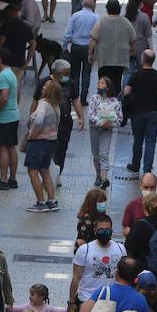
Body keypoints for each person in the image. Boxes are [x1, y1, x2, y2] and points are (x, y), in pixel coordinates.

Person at [123, 49, 157, 175]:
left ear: (143, 59)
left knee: (138, 139)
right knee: (151, 141)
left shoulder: (136, 75)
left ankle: (135, 165)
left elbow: (126, 92)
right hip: (152, 112)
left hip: (137, 112)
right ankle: (147, 169)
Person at [37, 61, 83, 189]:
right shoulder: (44, 83)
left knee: (61, 150)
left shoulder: (71, 84)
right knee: (47, 150)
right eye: (65, 73)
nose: (68, 75)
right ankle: (47, 176)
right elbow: (36, 101)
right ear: (56, 73)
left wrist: (81, 117)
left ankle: (56, 176)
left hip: (64, 123)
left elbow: (75, 100)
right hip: (47, 124)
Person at [0, 48, 23, 191]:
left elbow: (4, 96)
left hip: (4, 117)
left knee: (2, 148)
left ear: (0, 59)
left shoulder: (3, 76)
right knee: (11, 147)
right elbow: (17, 94)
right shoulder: (12, 74)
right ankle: (12, 179)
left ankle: (3, 179)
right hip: (13, 115)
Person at [70, 214, 127, 308]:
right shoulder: (84, 250)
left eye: (107, 230)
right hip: (87, 300)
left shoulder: (120, 249)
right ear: (95, 231)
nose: (104, 232)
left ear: (111, 231)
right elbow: (76, 278)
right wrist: (71, 302)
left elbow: (123, 277)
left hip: (111, 301)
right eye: (101, 229)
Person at [24, 77, 62, 213]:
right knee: (44, 170)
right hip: (51, 141)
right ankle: (52, 200)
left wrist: (32, 135)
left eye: (45, 86)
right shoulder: (56, 105)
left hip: (39, 142)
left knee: (33, 171)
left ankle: (41, 202)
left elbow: (38, 121)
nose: (43, 88)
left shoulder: (43, 104)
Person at [90, 0, 136, 105]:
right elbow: (133, 40)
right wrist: (133, 53)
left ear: (107, 9)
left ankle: (102, 103)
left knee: (103, 82)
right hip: (120, 60)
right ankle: (115, 104)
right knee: (116, 82)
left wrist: (90, 54)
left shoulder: (101, 21)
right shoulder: (125, 22)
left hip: (104, 60)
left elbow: (93, 39)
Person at [86, 77, 124, 188]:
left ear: (108, 87)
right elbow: (91, 114)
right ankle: (98, 175)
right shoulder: (94, 99)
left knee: (104, 154)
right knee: (96, 155)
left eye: (102, 83)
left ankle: (104, 178)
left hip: (107, 130)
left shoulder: (114, 102)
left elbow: (120, 119)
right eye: (98, 83)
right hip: (95, 129)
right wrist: (100, 122)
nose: (99, 85)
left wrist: (110, 124)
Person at [64, 0, 99, 98]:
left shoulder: (75, 16)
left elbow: (68, 33)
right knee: (86, 73)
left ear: (82, 4)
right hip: (89, 48)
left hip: (76, 47)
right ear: (93, 4)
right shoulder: (96, 17)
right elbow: (97, 35)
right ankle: (84, 97)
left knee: (75, 72)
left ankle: (74, 96)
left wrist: (65, 46)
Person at [124, 0, 154, 81]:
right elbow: (149, 36)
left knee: (128, 73)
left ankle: (126, 92)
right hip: (141, 49)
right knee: (142, 72)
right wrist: (151, 50)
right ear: (140, 4)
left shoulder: (125, 17)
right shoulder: (144, 17)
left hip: (128, 48)